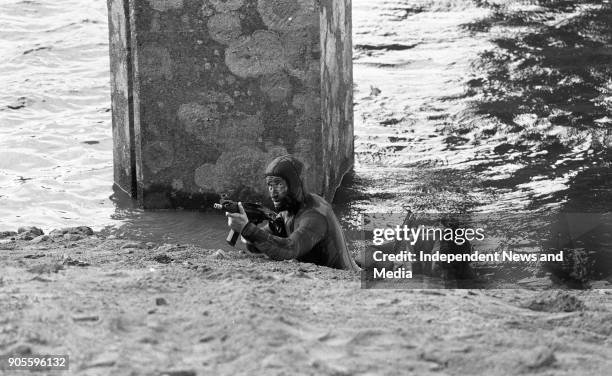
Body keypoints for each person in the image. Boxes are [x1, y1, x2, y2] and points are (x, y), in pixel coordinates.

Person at [225, 155, 360, 271]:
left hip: (345, 277)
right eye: (269, 185)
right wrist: (246, 229)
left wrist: (247, 229)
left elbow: (289, 250)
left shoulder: (315, 215)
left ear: (294, 184)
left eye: (278, 184)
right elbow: (260, 246)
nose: (272, 191)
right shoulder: (287, 210)